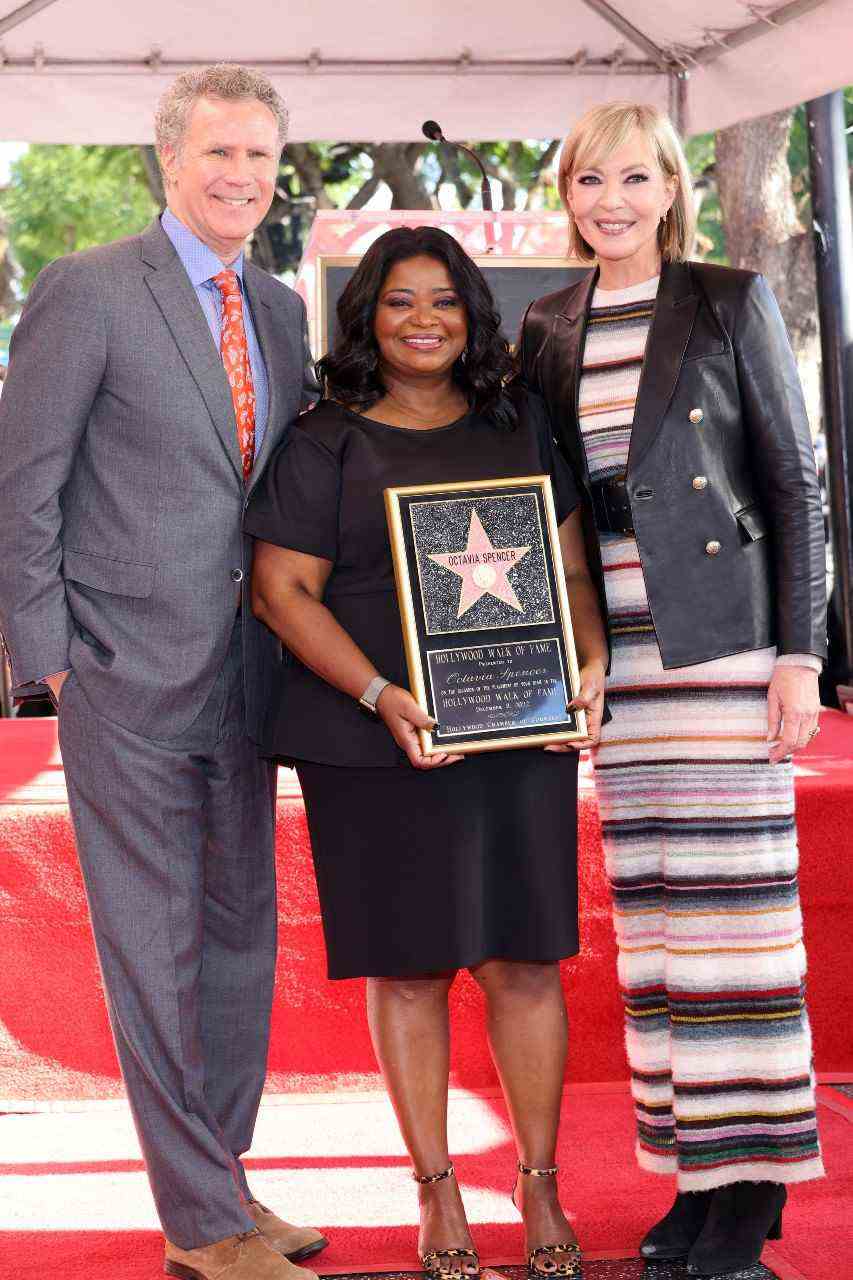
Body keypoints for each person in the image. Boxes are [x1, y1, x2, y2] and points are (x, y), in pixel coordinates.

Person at [0, 64, 327, 1280]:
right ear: (167, 160)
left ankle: (223, 1188)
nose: (240, 175)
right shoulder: (88, 290)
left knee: (242, 941)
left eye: (259, 156)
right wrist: (52, 667)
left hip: (251, 672)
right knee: (155, 947)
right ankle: (199, 1224)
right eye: (218, 154)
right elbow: (23, 483)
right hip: (121, 674)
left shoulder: (287, 310)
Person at [245, 226, 608, 1280]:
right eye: (399, 302)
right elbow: (280, 592)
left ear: (472, 314)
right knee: (408, 968)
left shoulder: (518, 419)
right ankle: (436, 1187)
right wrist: (380, 692)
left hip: (514, 732)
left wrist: (586, 658)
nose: (422, 322)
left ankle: (537, 1185)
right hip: (371, 740)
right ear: (365, 315)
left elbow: (572, 570)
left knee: (522, 958)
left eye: (443, 301)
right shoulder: (324, 439)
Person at [518, 102, 827, 1278]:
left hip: (723, 650)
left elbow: (794, 483)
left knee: (737, 933)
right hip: (617, 664)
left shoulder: (726, 299)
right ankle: (698, 1179)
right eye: (588, 178)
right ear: (568, 190)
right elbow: (536, 492)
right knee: (656, 933)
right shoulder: (547, 321)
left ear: (669, 189)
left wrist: (800, 654)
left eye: (631, 178)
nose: (609, 199)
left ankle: (752, 1191)